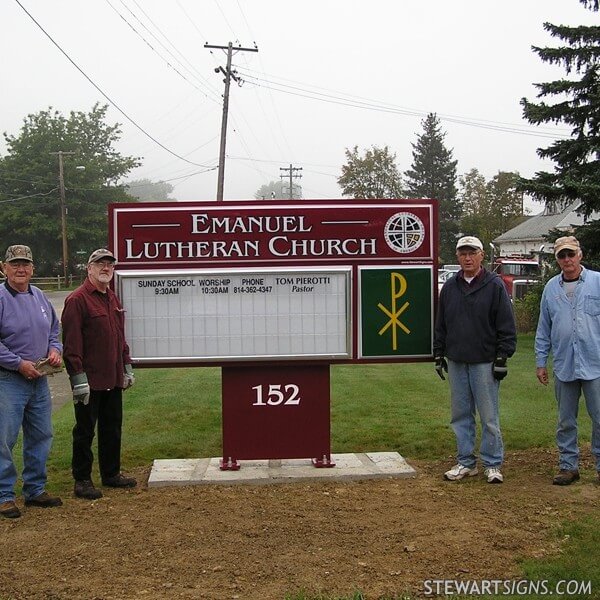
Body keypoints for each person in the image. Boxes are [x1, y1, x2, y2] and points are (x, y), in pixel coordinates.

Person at [434, 236, 517, 484]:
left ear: (482, 255)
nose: (467, 258)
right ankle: (466, 462)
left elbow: (506, 324)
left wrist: (503, 355)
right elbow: (442, 323)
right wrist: (439, 353)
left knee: (489, 416)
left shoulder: (494, 285)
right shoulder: (450, 286)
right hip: (458, 359)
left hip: (484, 361)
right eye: (463, 253)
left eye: (472, 253)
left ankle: (492, 463)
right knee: (460, 414)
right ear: (458, 256)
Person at [62, 248, 137, 500]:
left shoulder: (112, 298)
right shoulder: (77, 300)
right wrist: (78, 379)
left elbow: (119, 336)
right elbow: (72, 346)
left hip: (113, 378)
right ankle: (82, 480)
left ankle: (111, 474)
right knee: (84, 431)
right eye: (100, 264)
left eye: (109, 265)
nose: (105, 268)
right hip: (90, 380)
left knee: (112, 427)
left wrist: (126, 366)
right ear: (89, 268)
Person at [0, 245, 63, 519]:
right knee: (4, 439)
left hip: (39, 379)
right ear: (4, 267)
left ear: (33, 268)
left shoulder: (39, 296)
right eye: (14, 264)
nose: (20, 269)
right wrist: (18, 363)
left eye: (25, 263)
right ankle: (4, 495)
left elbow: (53, 329)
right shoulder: (0, 298)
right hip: (9, 379)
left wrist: (55, 349)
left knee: (40, 435)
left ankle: (35, 490)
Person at [535, 235, 600, 486]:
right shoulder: (551, 288)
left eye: (570, 254)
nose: (567, 259)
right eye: (561, 255)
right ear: (557, 259)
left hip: (595, 364)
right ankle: (568, 466)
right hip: (564, 365)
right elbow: (543, 329)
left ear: (580, 255)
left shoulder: (597, 282)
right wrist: (541, 362)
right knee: (565, 420)